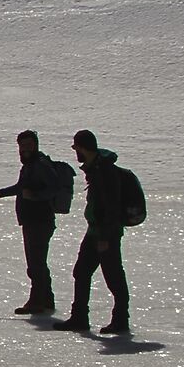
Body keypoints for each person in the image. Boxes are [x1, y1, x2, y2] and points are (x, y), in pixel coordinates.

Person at [0, 129, 69, 315]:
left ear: (36, 145)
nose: (25, 149)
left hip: (39, 220)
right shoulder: (30, 165)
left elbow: (54, 188)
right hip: (33, 219)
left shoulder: (40, 165)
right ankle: (46, 300)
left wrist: (35, 196)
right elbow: (20, 188)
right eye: (22, 146)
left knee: (35, 264)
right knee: (38, 262)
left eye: (29, 145)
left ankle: (37, 301)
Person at [61, 129, 132, 336]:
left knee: (113, 276)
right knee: (81, 272)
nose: (76, 152)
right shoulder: (96, 168)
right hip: (95, 231)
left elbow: (111, 207)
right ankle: (79, 318)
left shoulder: (104, 171)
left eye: (76, 148)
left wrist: (104, 237)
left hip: (105, 233)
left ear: (83, 148)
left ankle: (120, 320)